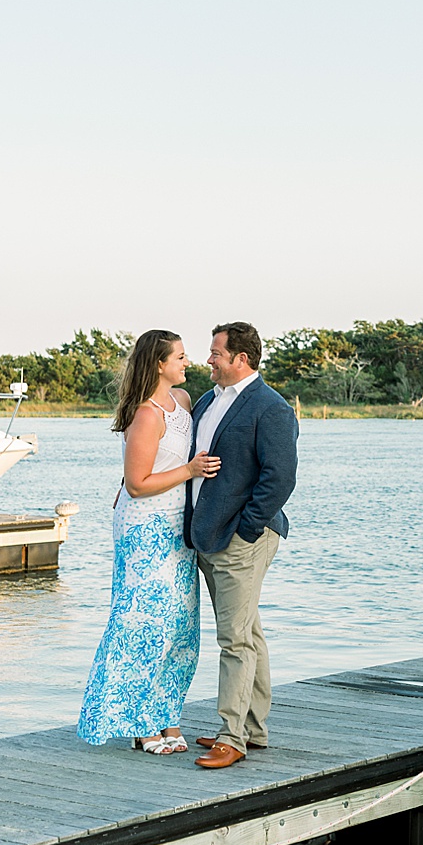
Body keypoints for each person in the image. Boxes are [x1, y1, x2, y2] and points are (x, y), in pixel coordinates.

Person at [78, 331, 222, 753]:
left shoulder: (184, 402)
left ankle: (165, 716)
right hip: (145, 528)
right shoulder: (147, 413)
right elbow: (137, 484)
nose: (186, 362)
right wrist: (192, 470)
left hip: (180, 527)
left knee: (180, 626)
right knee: (144, 625)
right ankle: (139, 724)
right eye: (179, 356)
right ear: (159, 364)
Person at [185, 322, 299, 769]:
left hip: (242, 538)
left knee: (234, 640)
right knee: (247, 633)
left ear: (241, 360)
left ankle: (231, 738)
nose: (208, 359)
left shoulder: (270, 408)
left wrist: (246, 529)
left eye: (216, 353)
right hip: (208, 536)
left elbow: (280, 478)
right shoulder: (208, 401)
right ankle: (253, 730)